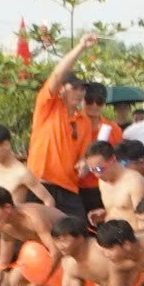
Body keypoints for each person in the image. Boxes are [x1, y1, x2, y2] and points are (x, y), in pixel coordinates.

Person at [28, 34, 104, 216]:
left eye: (82, 89)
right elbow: (57, 74)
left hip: (69, 189)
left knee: (78, 236)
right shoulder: (48, 106)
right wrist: (81, 46)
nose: (79, 93)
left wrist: (84, 163)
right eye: (74, 88)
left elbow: (84, 156)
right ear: (61, 88)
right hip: (41, 185)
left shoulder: (84, 121)